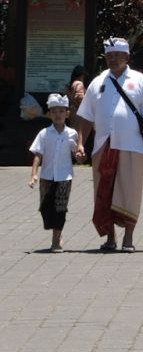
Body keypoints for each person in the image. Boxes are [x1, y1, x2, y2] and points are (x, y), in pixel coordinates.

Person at [77, 37, 143, 252]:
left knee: (130, 191)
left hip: (131, 145)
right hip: (103, 146)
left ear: (127, 57)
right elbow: (86, 117)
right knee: (104, 192)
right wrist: (80, 144)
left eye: (117, 55)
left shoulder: (140, 81)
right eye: (109, 56)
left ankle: (128, 238)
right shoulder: (98, 82)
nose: (113, 59)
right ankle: (110, 238)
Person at [29, 94, 84, 251]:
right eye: (54, 111)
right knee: (46, 208)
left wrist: (81, 156)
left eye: (61, 111)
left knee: (60, 208)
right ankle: (56, 232)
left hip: (65, 177)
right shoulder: (44, 134)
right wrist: (34, 174)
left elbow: (79, 158)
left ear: (67, 114)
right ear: (49, 114)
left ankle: (55, 239)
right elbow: (38, 155)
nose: (57, 114)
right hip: (46, 176)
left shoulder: (72, 134)